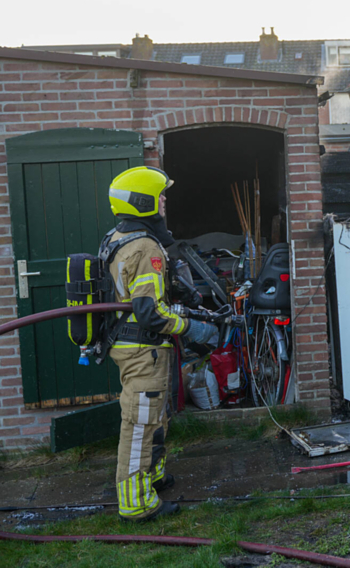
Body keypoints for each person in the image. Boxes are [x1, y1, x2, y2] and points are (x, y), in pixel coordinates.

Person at [103, 166, 219, 522]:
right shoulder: (144, 246)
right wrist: (191, 327)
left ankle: (152, 478)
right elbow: (150, 312)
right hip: (143, 348)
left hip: (140, 347)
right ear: (142, 202)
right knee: (139, 424)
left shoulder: (118, 236)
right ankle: (135, 503)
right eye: (159, 194)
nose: (164, 199)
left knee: (154, 417)